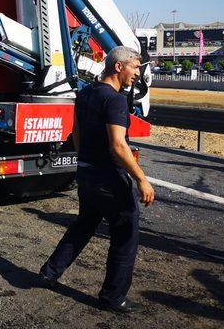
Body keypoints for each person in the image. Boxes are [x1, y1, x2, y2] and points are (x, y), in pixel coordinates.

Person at [39, 46, 155, 313]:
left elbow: (75, 131)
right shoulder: (114, 99)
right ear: (119, 67)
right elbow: (118, 145)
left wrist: (85, 162)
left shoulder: (86, 92)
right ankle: (113, 297)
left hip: (88, 173)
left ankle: (49, 272)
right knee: (125, 235)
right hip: (109, 178)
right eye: (135, 67)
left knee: (83, 225)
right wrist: (141, 180)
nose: (137, 73)